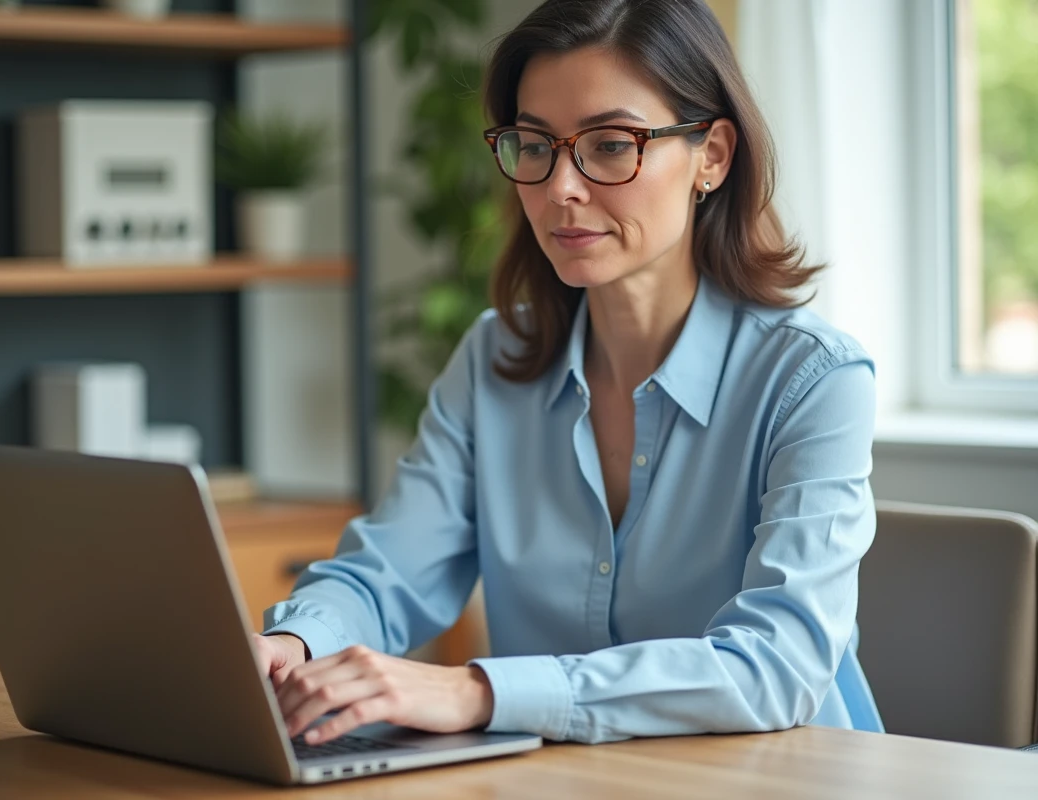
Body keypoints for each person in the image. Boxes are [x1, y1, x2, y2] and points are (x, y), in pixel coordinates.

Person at [254, 0, 885, 746]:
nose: (560, 188)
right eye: (534, 146)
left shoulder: (815, 381)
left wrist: (479, 692)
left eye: (611, 145)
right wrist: (292, 646)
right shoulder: (491, 361)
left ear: (712, 156)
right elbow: (387, 572)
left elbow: (778, 666)